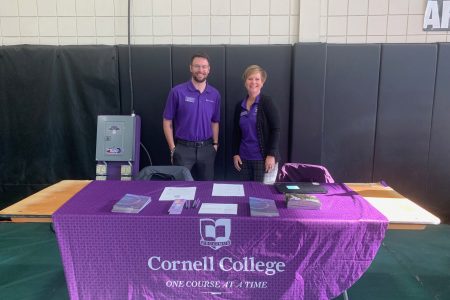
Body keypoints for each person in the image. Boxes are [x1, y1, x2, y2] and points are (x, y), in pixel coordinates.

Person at [163, 53, 220, 180]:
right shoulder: (177, 92)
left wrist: (215, 144)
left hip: (207, 149)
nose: (201, 70)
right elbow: (167, 122)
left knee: (206, 189)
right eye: (197, 66)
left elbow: (215, 121)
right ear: (191, 68)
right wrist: (173, 149)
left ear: (209, 69)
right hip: (183, 149)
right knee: (180, 189)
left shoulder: (215, 94)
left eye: (204, 67)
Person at [232, 65, 281, 182]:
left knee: (263, 196)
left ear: (262, 82)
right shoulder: (239, 106)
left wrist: (271, 154)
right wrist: (235, 154)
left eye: (257, 79)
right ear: (245, 82)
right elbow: (236, 132)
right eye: (250, 78)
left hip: (263, 159)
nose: (253, 82)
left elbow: (276, 129)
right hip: (243, 159)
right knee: (246, 193)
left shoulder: (267, 102)